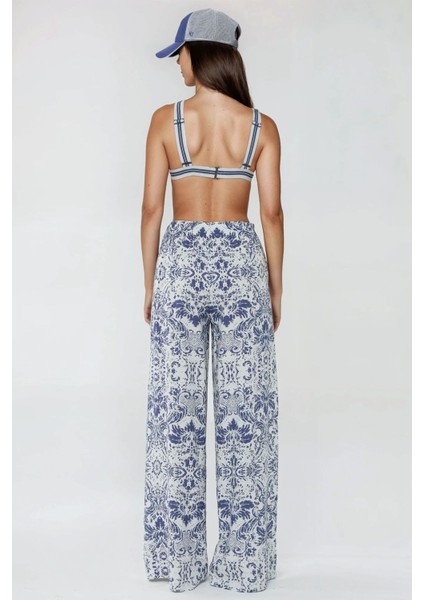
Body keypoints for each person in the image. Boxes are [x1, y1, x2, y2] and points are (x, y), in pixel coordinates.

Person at [140, 8, 284, 593]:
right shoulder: (261, 127)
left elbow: (152, 209)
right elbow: (271, 214)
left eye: (180, 52)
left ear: (201, 52)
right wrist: (275, 288)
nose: (177, 62)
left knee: (175, 415)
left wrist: (150, 284)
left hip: (180, 263)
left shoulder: (165, 121)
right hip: (242, 263)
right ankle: (244, 567)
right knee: (247, 418)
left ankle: (179, 564)